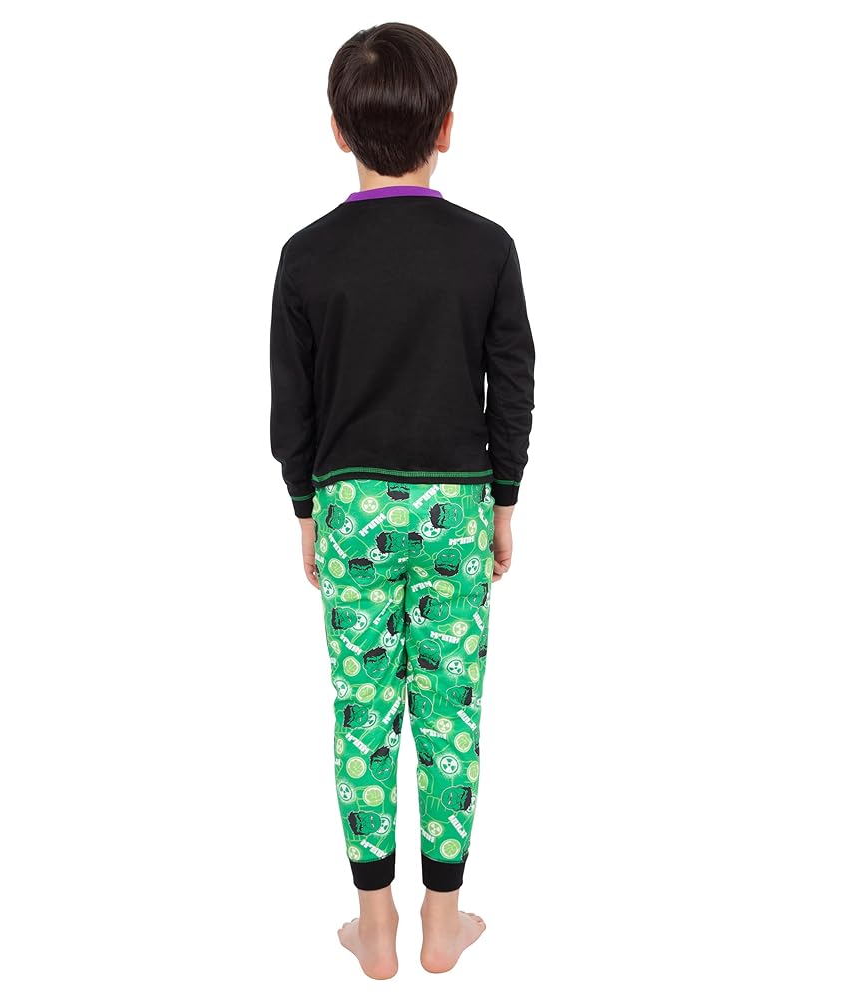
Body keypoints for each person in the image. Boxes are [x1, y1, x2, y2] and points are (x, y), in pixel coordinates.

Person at [269, 21, 536, 979]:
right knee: (451, 710)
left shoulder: (306, 257)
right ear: (448, 128)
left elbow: (292, 404)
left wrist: (306, 508)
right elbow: (513, 382)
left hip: (350, 512)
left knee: (363, 710)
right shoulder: (487, 249)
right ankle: (443, 921)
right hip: (457, 508)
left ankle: (373, 923)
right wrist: (503, 500)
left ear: (338, 130)